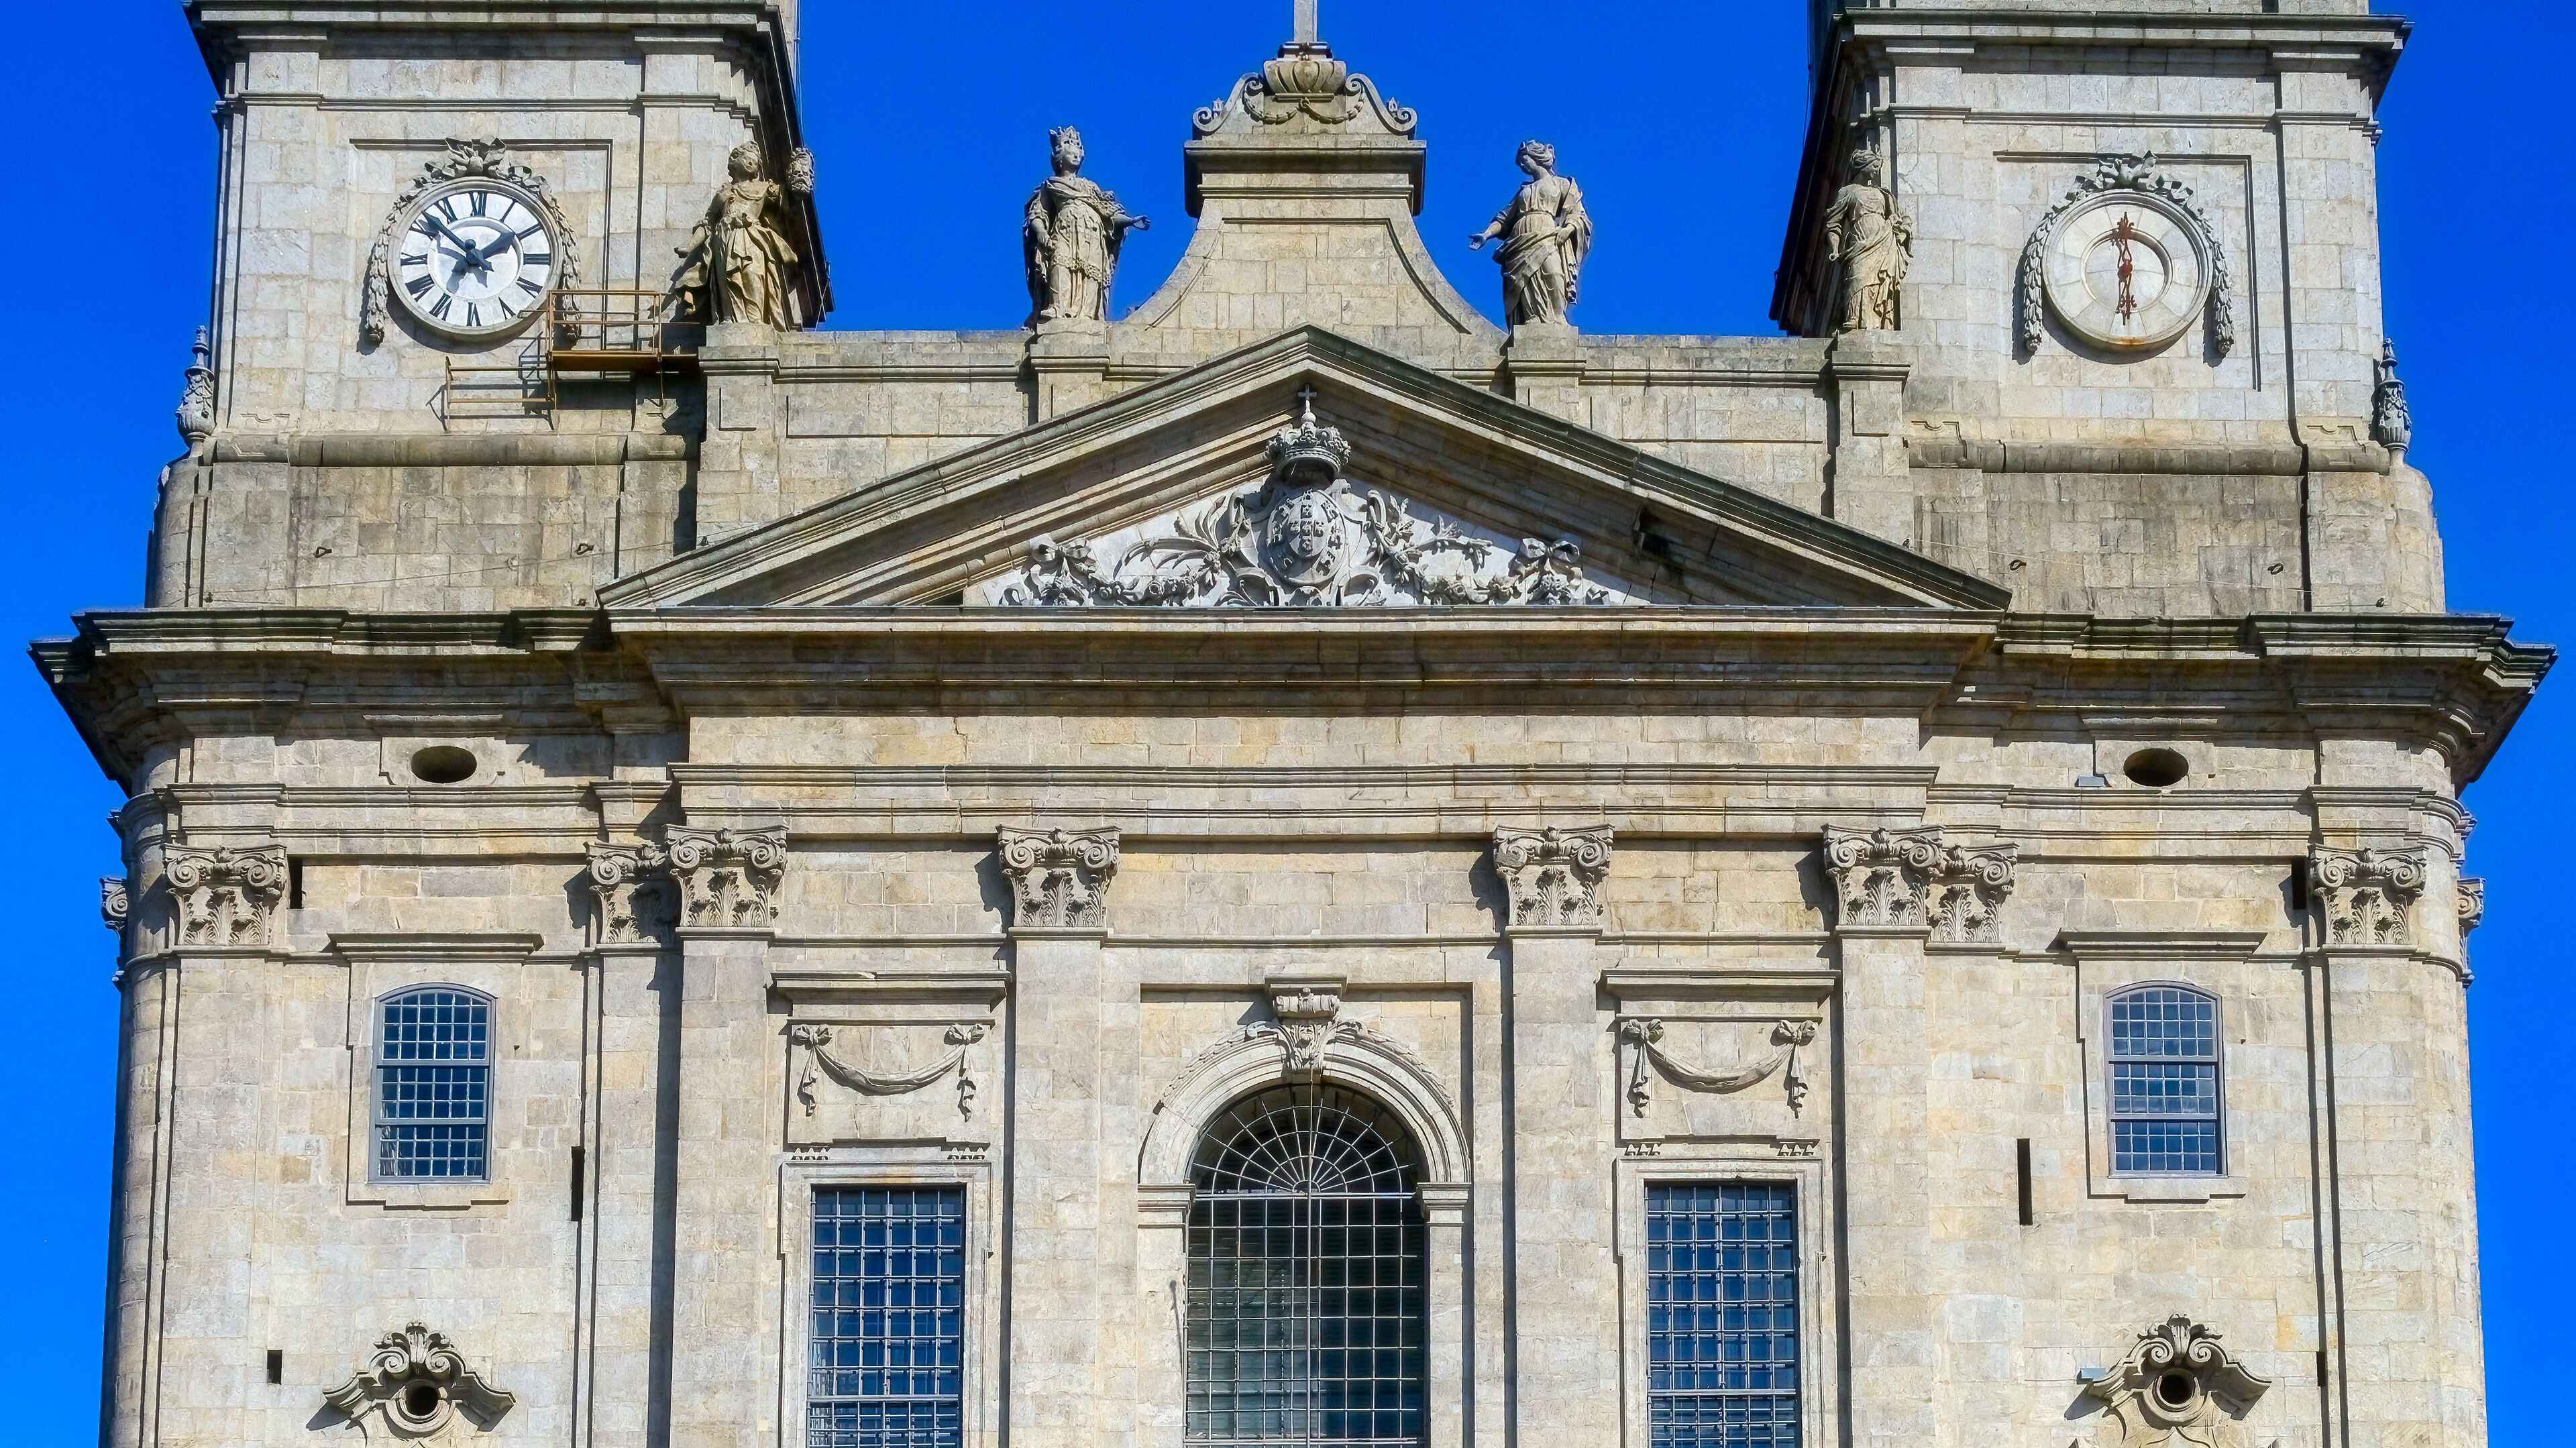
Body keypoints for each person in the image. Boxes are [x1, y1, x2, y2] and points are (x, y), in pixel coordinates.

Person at [676, 142, 812, 327]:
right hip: (724, 241)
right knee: (730, 281)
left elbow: (790, 193)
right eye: (747, 158)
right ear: (735, 160)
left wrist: (800, 169)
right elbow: (708, 223)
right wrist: (689, 247)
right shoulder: (724, 193)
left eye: (755, 162)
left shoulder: (764, 188)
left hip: (751, 239)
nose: (751, 163)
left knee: (752, 277)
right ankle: (730, 320)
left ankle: (755, 322)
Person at [1024, 127, 1149, 325]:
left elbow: (1109, 214)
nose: (1076, 155)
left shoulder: (1090, 188)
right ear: (1059, 156)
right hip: (1064, 231)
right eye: (1070, 152)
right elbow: (1038, 214)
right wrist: (1041, 232)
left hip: (1092, 235)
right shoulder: (1051, 185)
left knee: (1091, 274)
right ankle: (1058, 307)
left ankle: (1088, 315)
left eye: (1078, 152)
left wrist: (1131, 221)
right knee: (1060, 264)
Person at [1469, 140, 1592, 326]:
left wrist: (1568, 229)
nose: (1522, 165)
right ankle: (1531, 319)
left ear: (1537, 157)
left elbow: (1578, 214)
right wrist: (1486, 235)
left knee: (1554, 274)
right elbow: (1503, 218)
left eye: (1524, 160)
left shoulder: (1563, 185)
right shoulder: (1523, 191)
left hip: (1548, 234)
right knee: (1525, 282)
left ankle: (1556, 318)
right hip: (1519, 239)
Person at [1822, 148, 1913, 333]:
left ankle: (1876, 320)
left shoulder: (1884, 194)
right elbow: (1833, 224)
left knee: (1879, 280)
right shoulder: (1848, 192)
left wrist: (1901, 232)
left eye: (1878, 167)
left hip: (1884, 240)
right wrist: (1834, 249)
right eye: (1874, 166)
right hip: (1859, 241)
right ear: (1862, 166)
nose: (1877, 171)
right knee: (1858, 276)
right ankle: (1854, 318)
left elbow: (1902, 217)